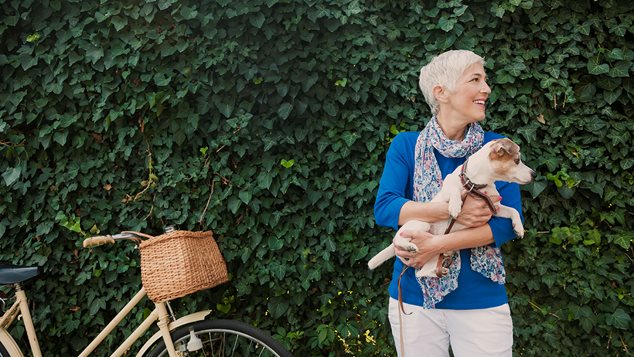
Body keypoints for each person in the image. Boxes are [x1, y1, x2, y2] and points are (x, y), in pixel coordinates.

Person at [374, 50, 523, 357]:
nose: (487, 88)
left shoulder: (495, 148)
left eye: (486, 79)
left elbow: (506, 224)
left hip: (480, 301)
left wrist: (435, 245)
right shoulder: (406, 145)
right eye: (475, 79)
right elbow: (387, 207)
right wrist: (446, 210)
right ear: (440, 92)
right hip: (414, 301)